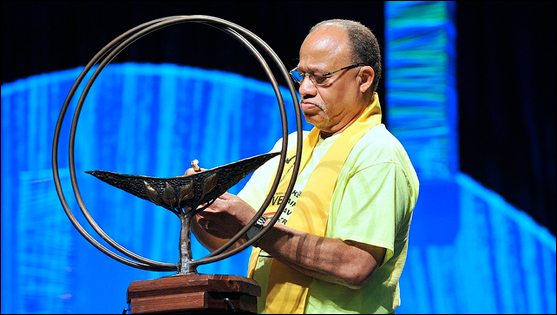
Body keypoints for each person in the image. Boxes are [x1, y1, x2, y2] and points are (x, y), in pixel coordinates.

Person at [188, 19, 419, 314]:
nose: (305, 89)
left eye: (321, 77)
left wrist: (253, 226)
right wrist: (196, 205)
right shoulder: (292, 147)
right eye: (301, 75)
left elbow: (355, 265)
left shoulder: (377, 153)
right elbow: (228, 239)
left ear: (363, 79)